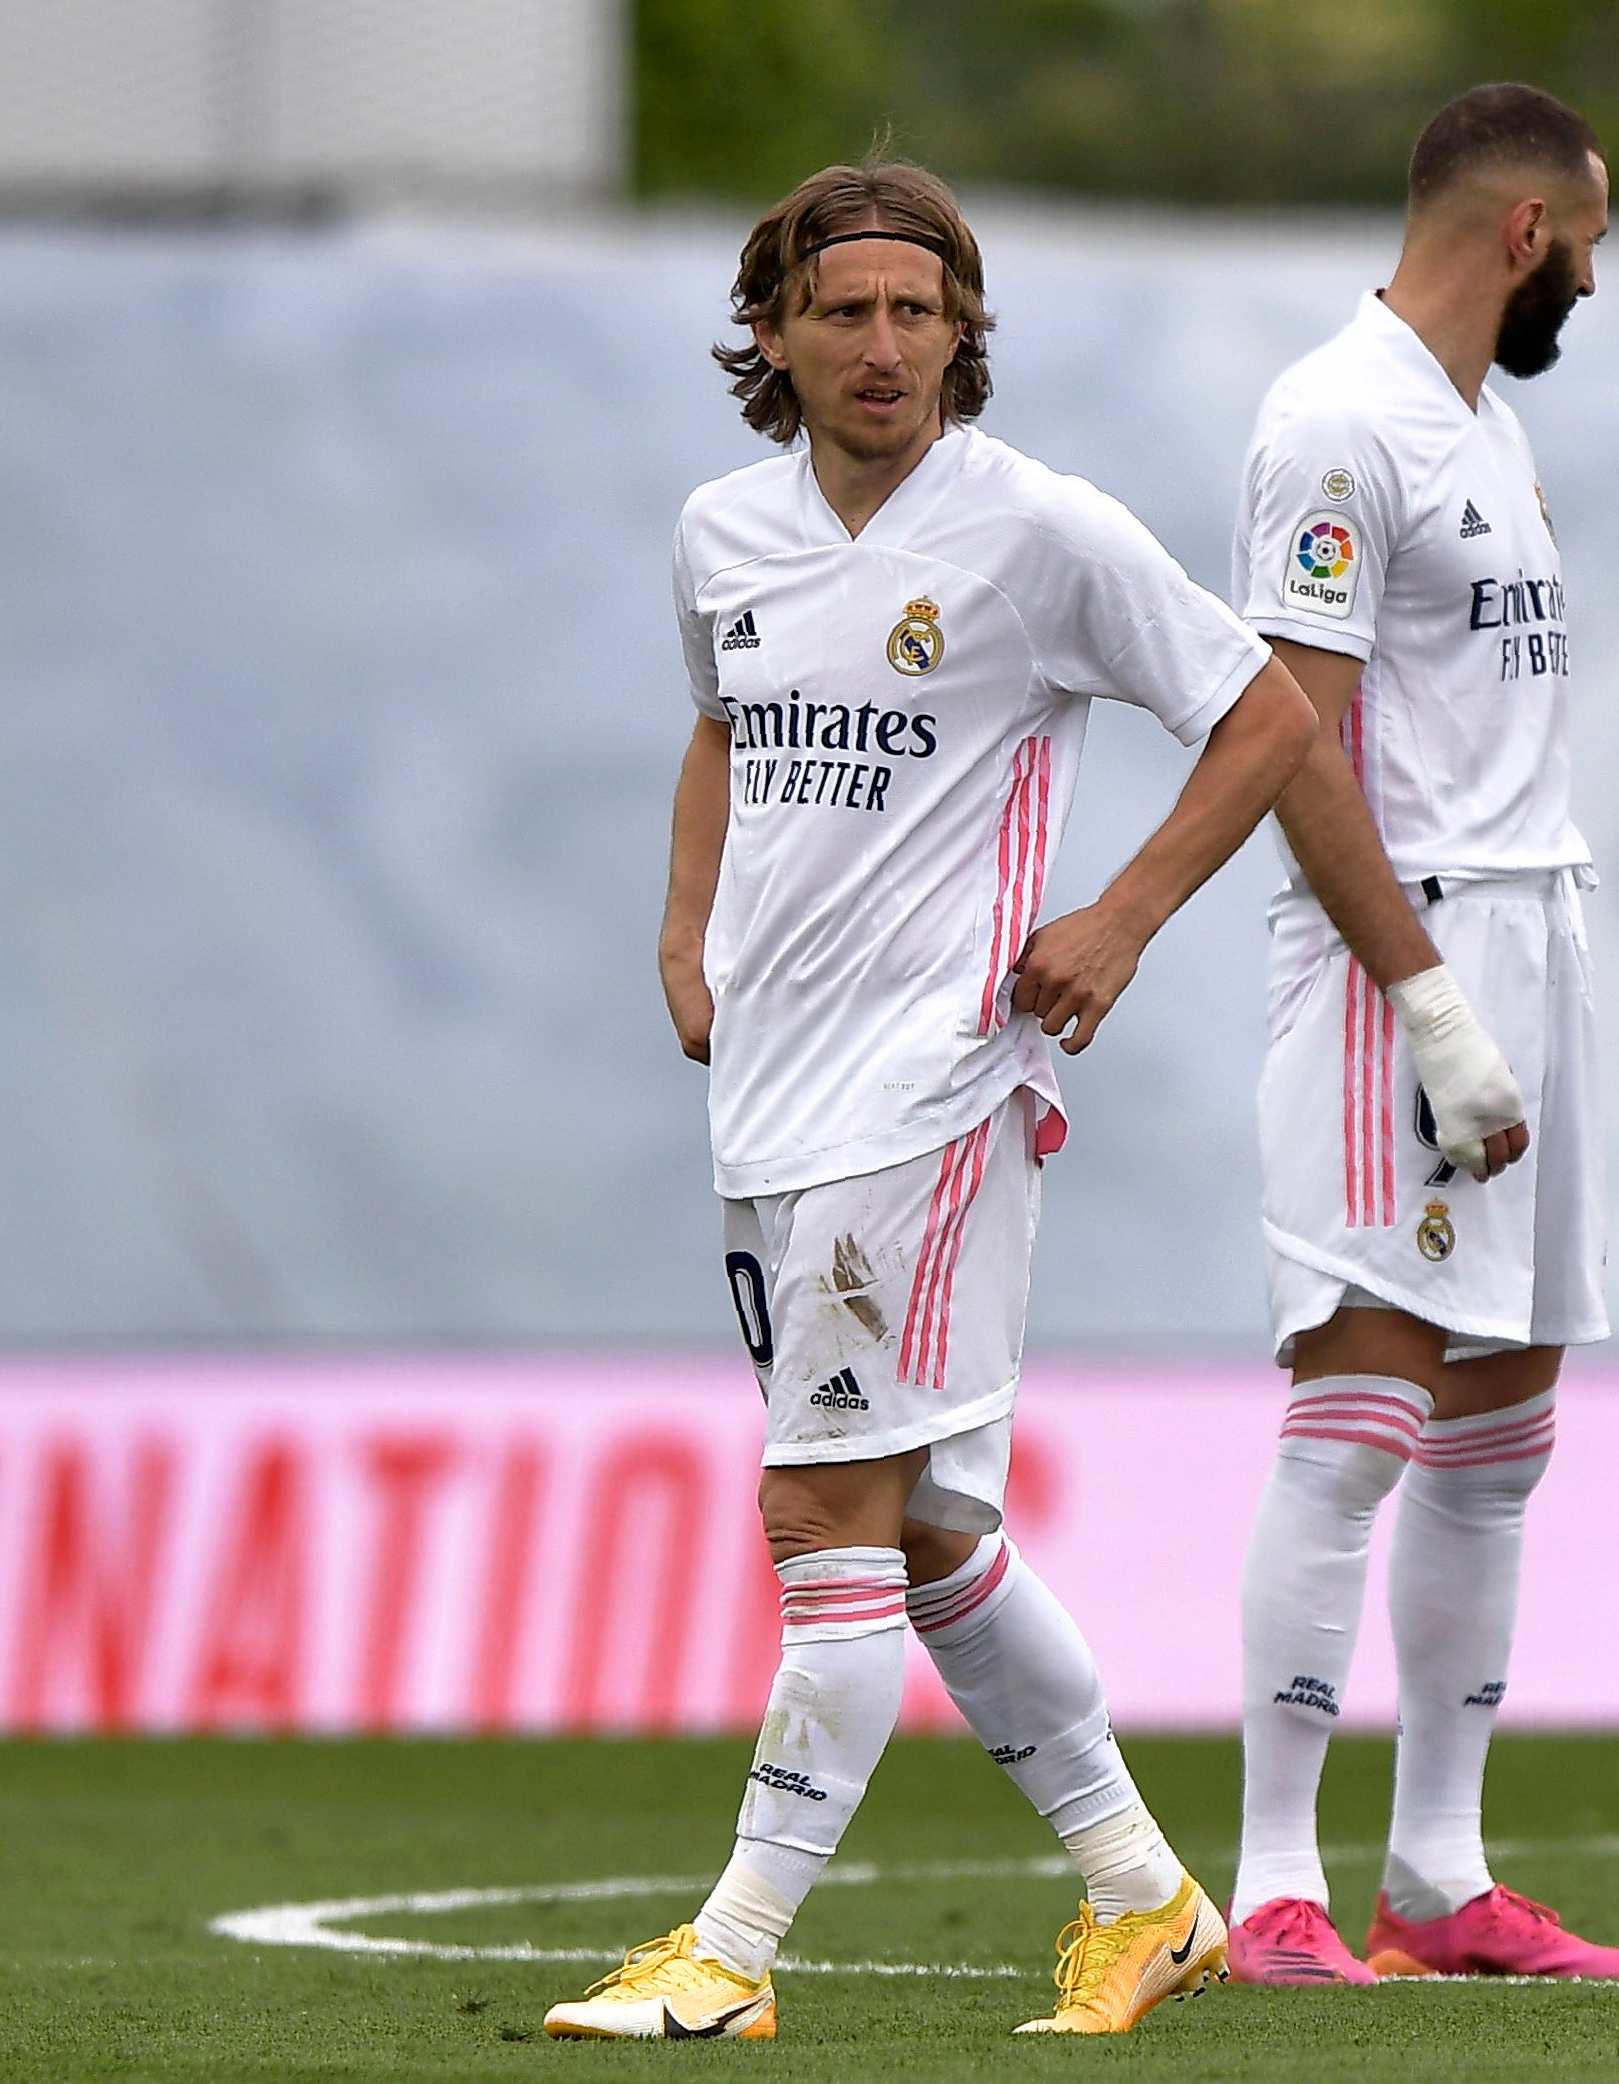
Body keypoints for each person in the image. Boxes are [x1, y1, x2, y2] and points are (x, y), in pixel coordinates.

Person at [541, 159, 1313, 2042]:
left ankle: (728, 1957)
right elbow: (724, 732)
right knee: (927, 1532)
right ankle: (1144, 1900)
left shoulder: (1035, 530)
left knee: (818, 1508)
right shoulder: (719, 533)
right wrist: (676, 924)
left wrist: (1119, 920)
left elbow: (1266, 711)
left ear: (964, 331)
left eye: (917, 311)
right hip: (773, 1101)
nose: (883, 346)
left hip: (939, 1088)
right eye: (844, 312)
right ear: (774, 336)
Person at [1220, 83, 1619, 1988]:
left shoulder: (1487, 424)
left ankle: (1436, 1876)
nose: (1594, 277)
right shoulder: (1334, 422)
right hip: (1393, 964)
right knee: (1359, 1414)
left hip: (1534, 932)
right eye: (1589, 242)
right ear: (1521, 236)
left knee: (1501, 1425)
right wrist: (1423, 1001)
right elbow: (1290, 746)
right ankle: (1266, 1890)